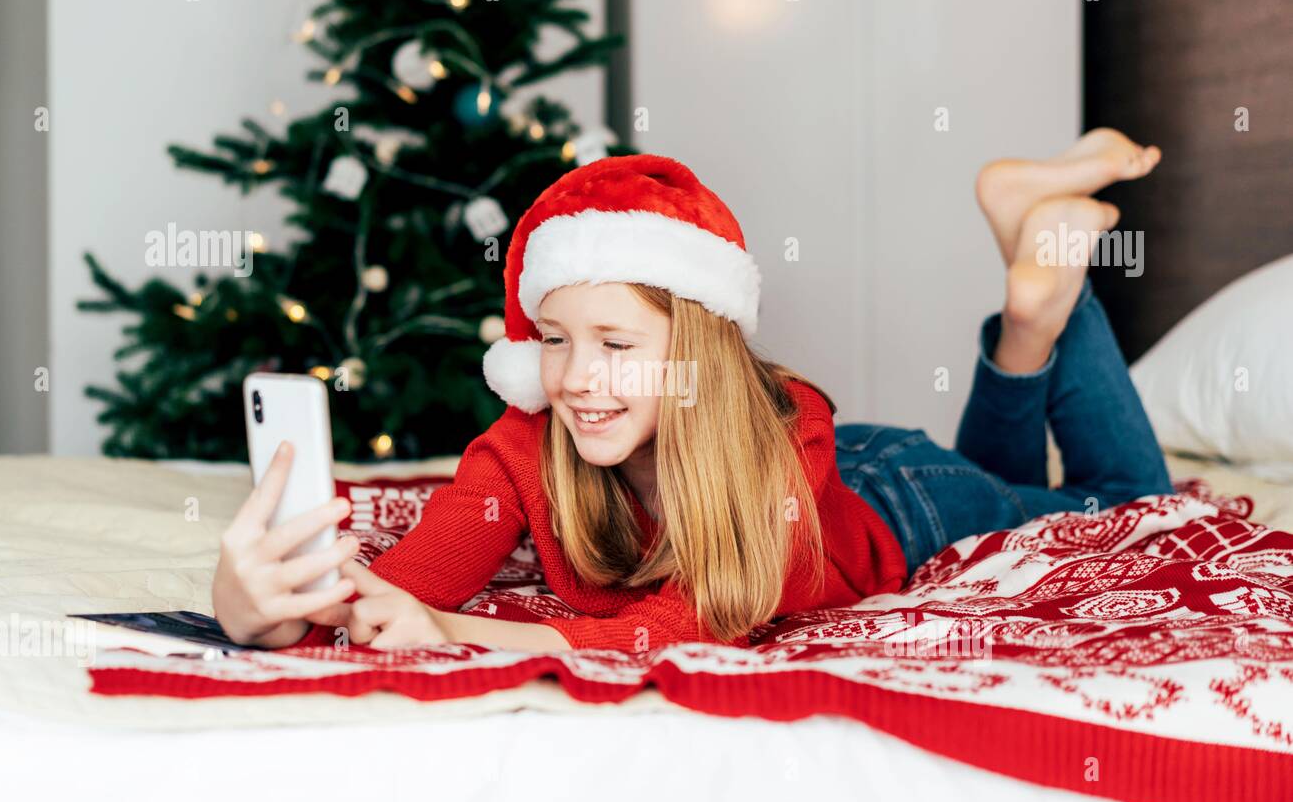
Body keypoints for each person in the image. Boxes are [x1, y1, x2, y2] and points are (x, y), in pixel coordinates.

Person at [211, 134, 1171, 654]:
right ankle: (1029, 279)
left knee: (1135, 509)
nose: (577, 377)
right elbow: (406, 583)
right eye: (553, 340)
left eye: (617, 344)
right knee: (1010, 472)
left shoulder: (782, 436)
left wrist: (451, 634)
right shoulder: (526, 444)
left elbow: (691, 622)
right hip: (847, 473)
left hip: (897, 494)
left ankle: (1055, 303)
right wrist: (255, 605)